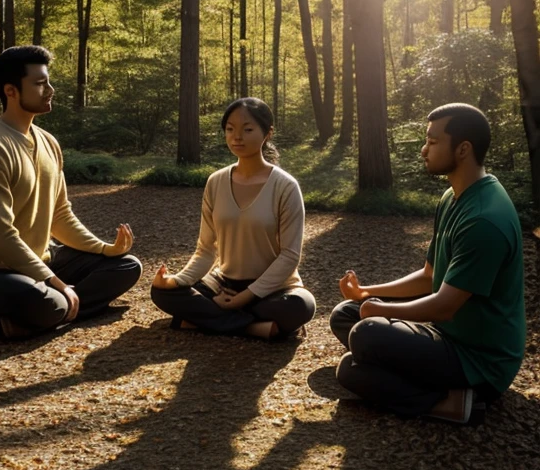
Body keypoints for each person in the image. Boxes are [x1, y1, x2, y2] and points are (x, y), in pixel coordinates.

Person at [328, 103, 525, 422]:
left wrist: (382, 311)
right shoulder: (454, 197)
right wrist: (366, 293)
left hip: (479, 361)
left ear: (463, 149)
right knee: (345, 315)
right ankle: (399, 364)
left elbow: (444, 306)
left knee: (359, 349)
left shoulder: (484, 221)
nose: (424, 149)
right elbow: (429, 276)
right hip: (447, 334)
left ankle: (450, 403)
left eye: (432, 142)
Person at [0, 46, 142, 338]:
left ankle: (34, 317)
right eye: (39, 83)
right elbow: (1, 241)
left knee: (126, 266)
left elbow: (61, 215)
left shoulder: (48, 142)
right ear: (11, 91)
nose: (50, 89)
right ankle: (48, 307)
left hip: (45, 257)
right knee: (44, 300)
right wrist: (56, 284)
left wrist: (105, 249)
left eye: (48, 81)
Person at [151, 97, 315, 338]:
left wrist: (245, 297)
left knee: (300, 306)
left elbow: (290, 256)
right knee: (161, 292)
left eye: (247, 130)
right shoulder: (215, 182)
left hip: (273, 289)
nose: (237, 137)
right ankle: (253, 328)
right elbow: (206, 249)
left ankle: (202, 321)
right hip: (223, 285)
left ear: (267, 133)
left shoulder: (285, 186)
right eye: (230, 129)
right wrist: (176, 281)